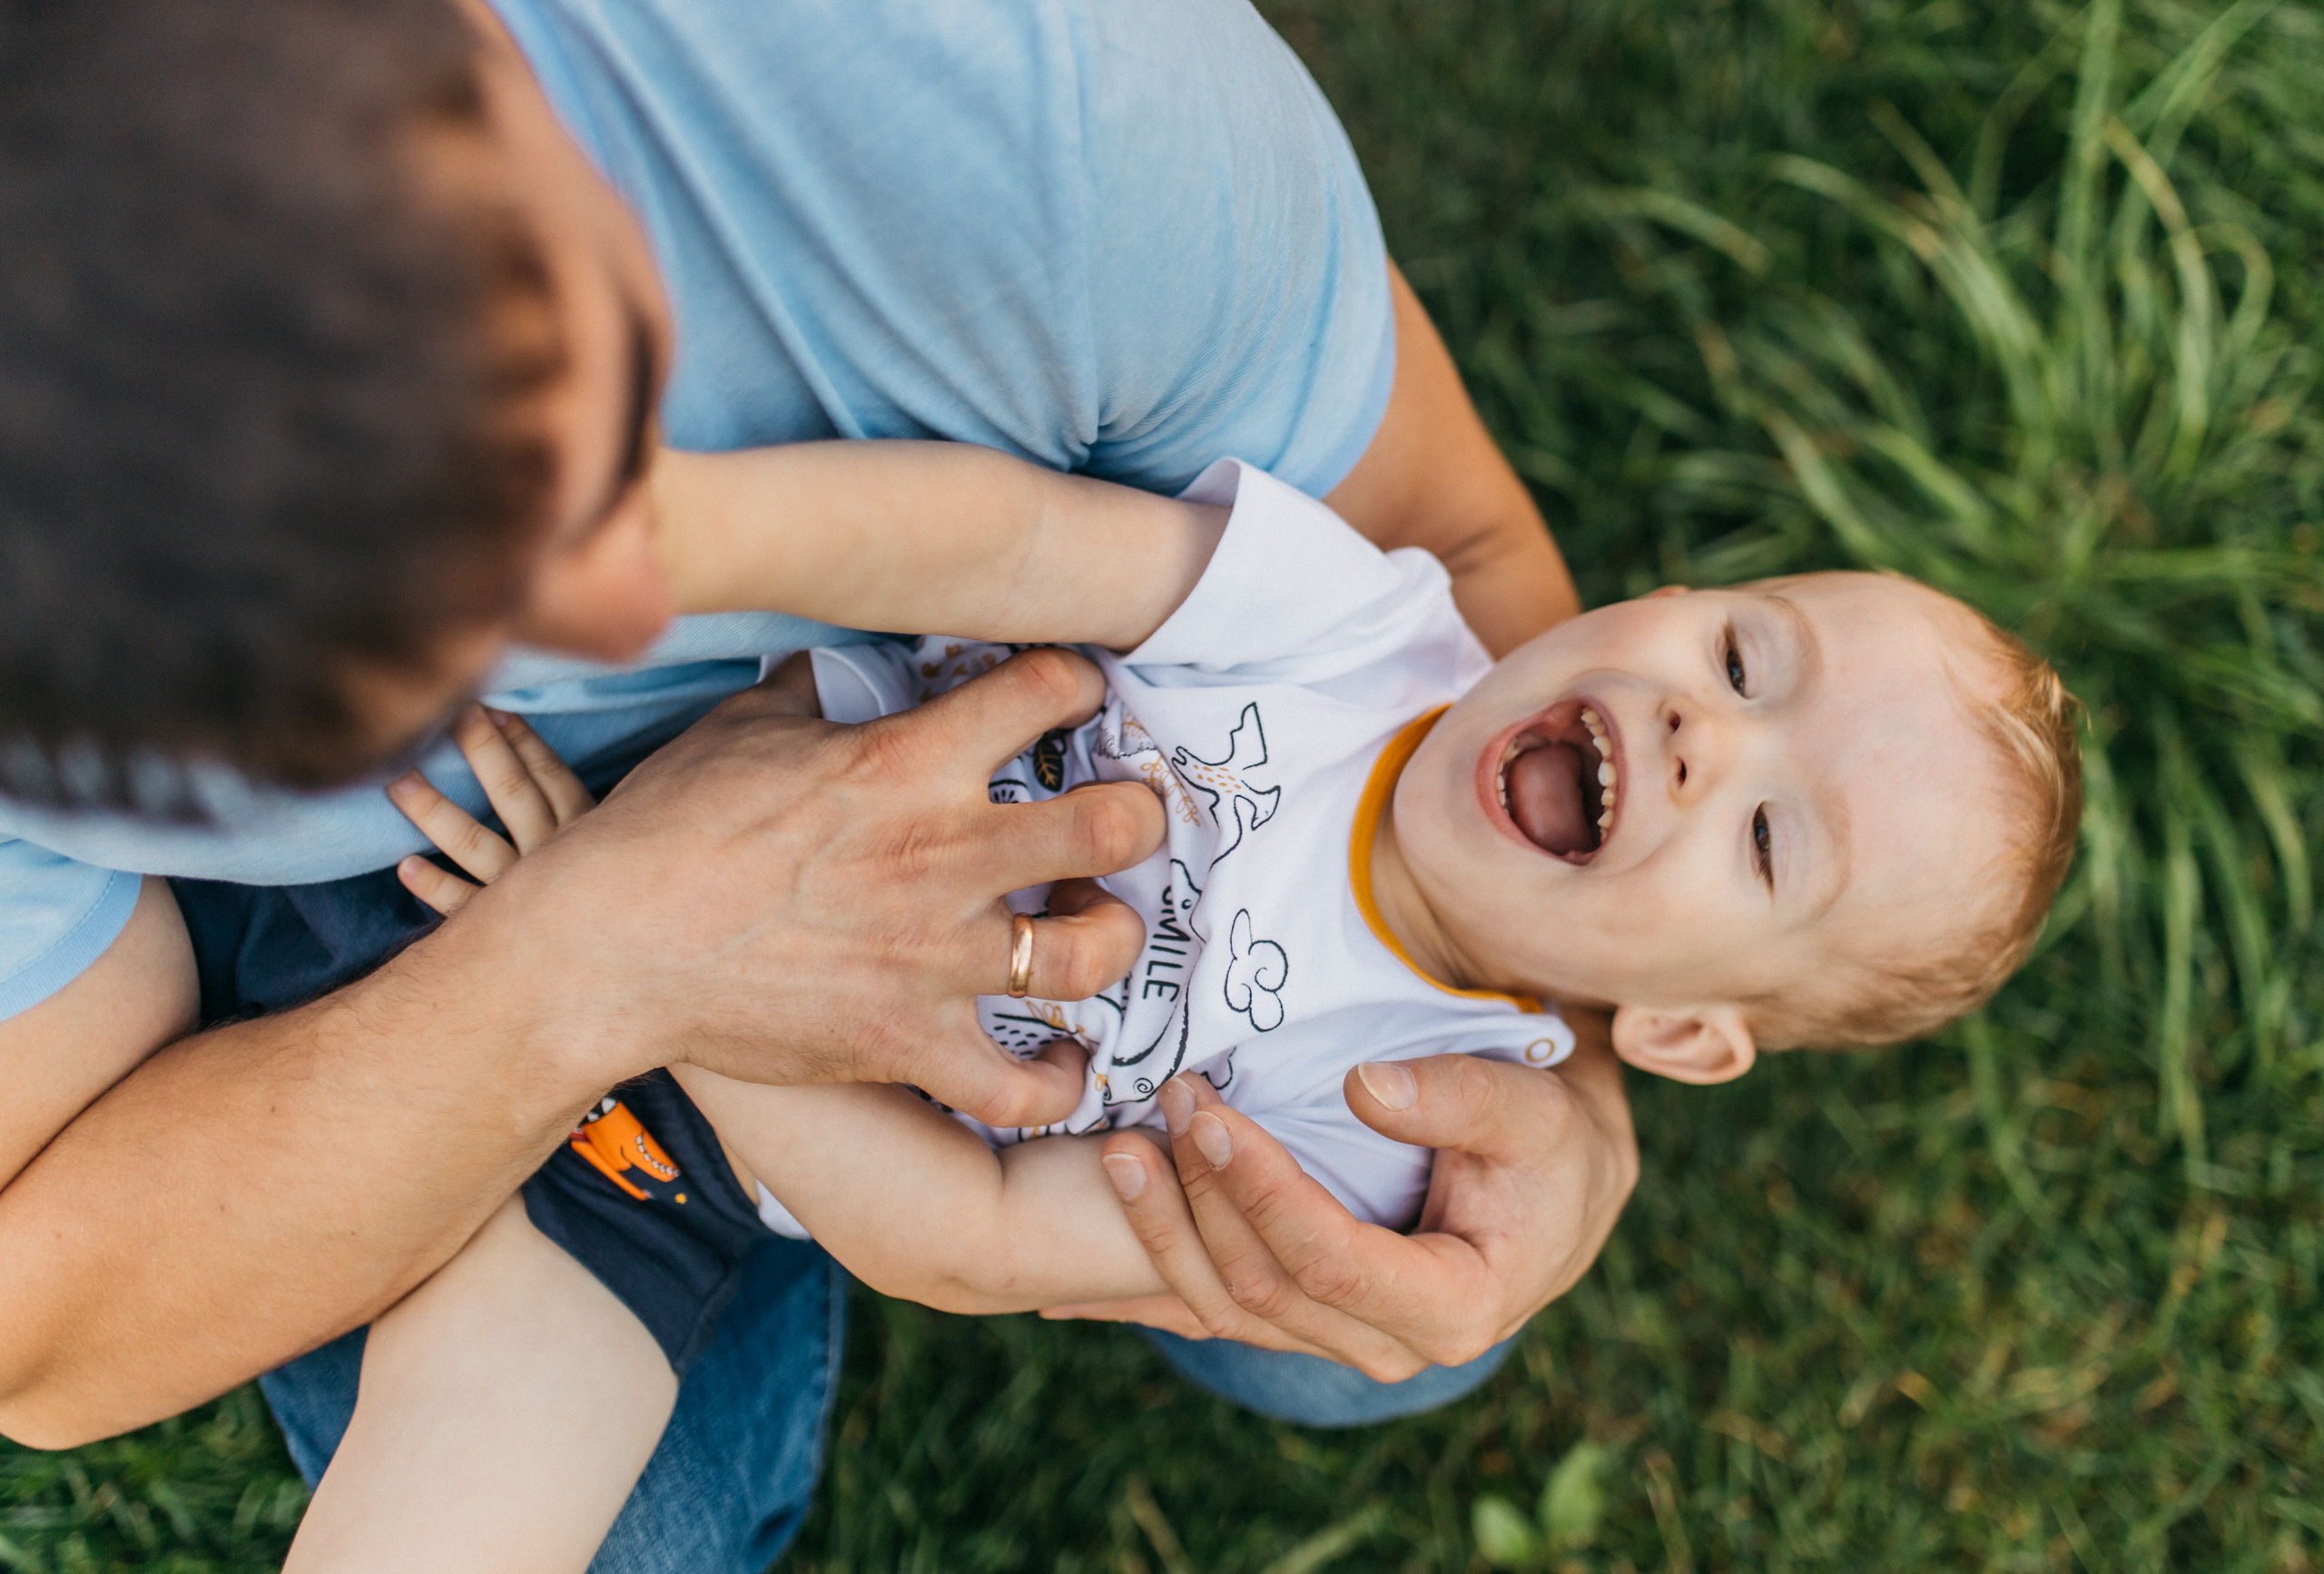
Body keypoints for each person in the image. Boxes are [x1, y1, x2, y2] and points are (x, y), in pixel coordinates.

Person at [0, 0, 1635, 1565]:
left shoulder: (1031, 111)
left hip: (773, 1118)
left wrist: (1584, 1114)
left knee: (1380, 1319)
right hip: (480, 958)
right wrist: (613, 952)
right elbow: (47, 1328)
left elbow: (1428, 557)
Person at [282, 441, 2080, 1570]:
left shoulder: (1390, 1137)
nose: (1706, 735)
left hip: (674, 1154)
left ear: (1682, 1038)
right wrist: (689, 523)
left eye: (1770, 841)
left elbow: (975, 1235)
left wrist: (630, 958)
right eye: (1745, 656)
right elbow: (999, 543)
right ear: (1667, 599)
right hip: (694, 766)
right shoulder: (1345, 629)